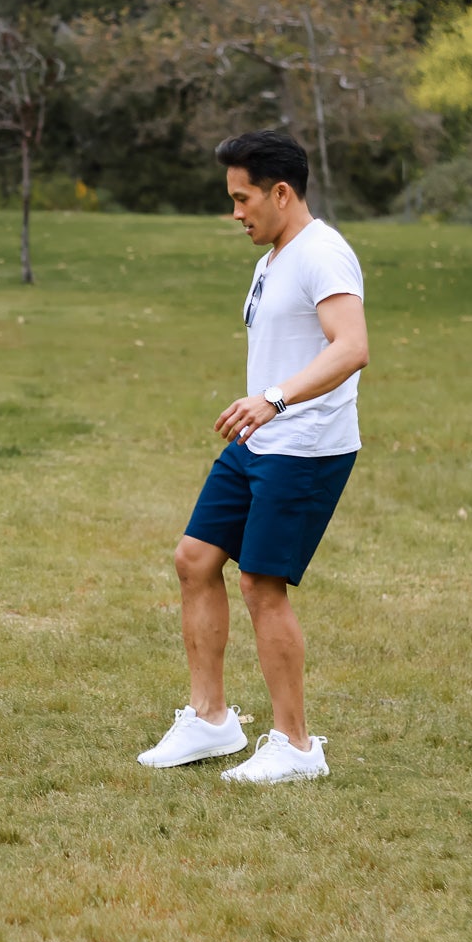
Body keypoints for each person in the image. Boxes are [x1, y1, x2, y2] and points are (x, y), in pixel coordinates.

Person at [138, 131, 368, 784]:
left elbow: (350, 347)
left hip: (304, 446)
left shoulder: (324, 255)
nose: (236, 213)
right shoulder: (273, 257)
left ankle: (296, 747)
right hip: (258, 441)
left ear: (282, 192)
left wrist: (274, 398)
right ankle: (212, 722)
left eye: (243, 199)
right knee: (194, 559)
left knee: (261, 586)